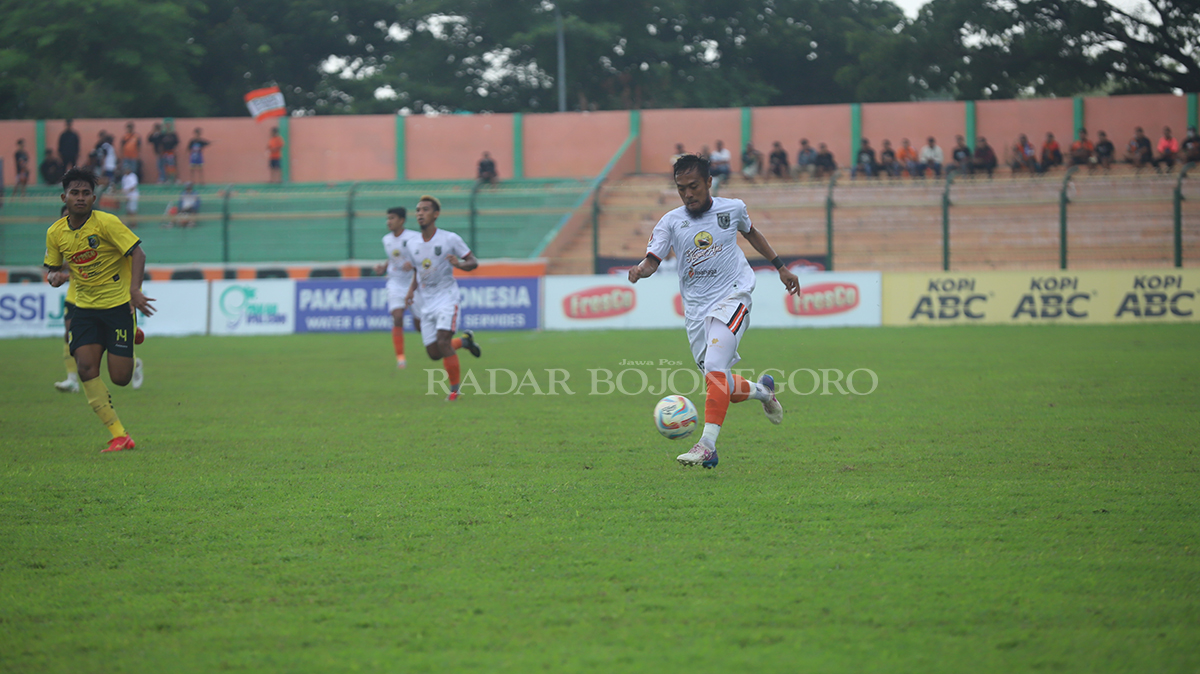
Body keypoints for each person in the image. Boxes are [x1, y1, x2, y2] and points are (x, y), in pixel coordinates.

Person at [627, 154, 796, 468]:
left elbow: (751, 233)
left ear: (708, 182)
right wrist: (640, 270)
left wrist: (781, 267)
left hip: (734, 296)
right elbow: (652, 260)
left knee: (716, 365)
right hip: (696, 311)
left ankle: (706, 445)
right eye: (681, 189)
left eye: (693, 186)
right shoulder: (670, 221)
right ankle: (763, 392)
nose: (688, 194)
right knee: (721, 383)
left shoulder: (733, 209)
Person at [44, 168, 155, 452]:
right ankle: (120, 435)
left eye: (86, 193)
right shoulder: (55, 233)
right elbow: (52, 269)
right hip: (84, 309)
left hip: (118, 307)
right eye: (74, 193)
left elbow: (138, 253)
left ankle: (131, 346)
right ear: (64, 197)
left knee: (120, 378)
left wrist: (135, 291)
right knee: (85, 368)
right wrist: (54, 277)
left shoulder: (107, 223)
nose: (80, 197)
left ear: (94, 198)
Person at [402, 196, 482, 401]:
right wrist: (411, 291)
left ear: (436, 214)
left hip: (447, 298)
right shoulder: (411, 243)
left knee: (443, 342)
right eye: (418, 210)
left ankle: (454, 392)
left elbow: (473, 261)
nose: (420, 213)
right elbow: (418, 271)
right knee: (434, 353)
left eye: (425, 210)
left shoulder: (449, 239)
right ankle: (464, 342)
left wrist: (459, 264)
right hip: (426, 301)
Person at [375, 206, 423, 369]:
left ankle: (434, 340)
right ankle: (401, 358)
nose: (388, 222)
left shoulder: (414, 237)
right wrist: (383, 268)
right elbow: (392, 258)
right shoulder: (386, 239)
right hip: (395, 282)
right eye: (388, 218)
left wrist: (414, 264)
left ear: (401, 220)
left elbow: (423, 255)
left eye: (392, 218)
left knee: (420, 325)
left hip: (413, 284)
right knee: (397, 316)